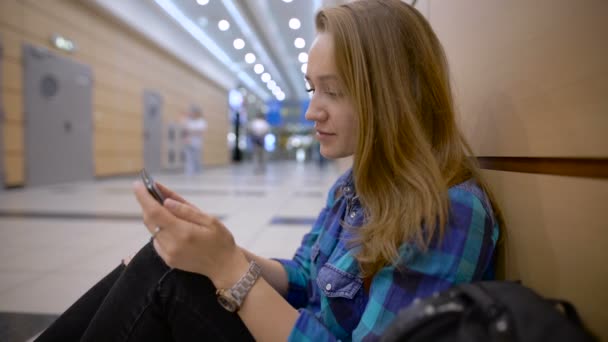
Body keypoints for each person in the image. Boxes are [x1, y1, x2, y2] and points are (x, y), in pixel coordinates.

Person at [37, 1, 503, 341]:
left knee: (166, 279)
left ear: (396, 97)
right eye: (310, 90)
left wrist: (227, 268)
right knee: (166, 258)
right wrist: (217, 249)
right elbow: (303, 274)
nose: (311, 112)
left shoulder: (448, 213)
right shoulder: (355, 187)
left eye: (333, 92)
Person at [182, 107, 207, 175]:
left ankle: (197, 172)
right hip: (188, 141)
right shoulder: (188, 121)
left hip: (197, 143)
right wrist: (187, 136)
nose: (192, 114)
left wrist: (191, 131)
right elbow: (185, 130)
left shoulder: (201, 121)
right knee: (188, 158)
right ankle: (189, 172)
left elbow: (199, 131)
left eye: (193, 112)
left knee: (197, 158)